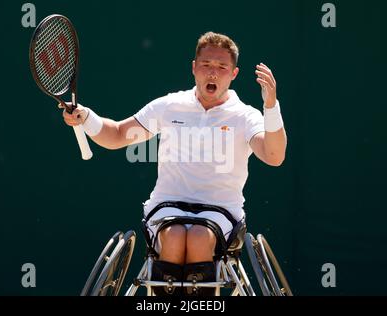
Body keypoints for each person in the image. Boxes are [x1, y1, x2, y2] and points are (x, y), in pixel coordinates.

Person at [62, 32, 287, 296]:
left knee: (200, 237)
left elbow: (274, 156)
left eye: (221, 67)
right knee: (175, 235)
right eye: (206, 65)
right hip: (167, 206)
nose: (212, 73)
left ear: (234, 73)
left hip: (221, 212)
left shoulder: (245, 115)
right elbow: (118, 135)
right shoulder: (170, 106)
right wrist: (86, 117)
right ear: (194, 68)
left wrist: (270, 106)